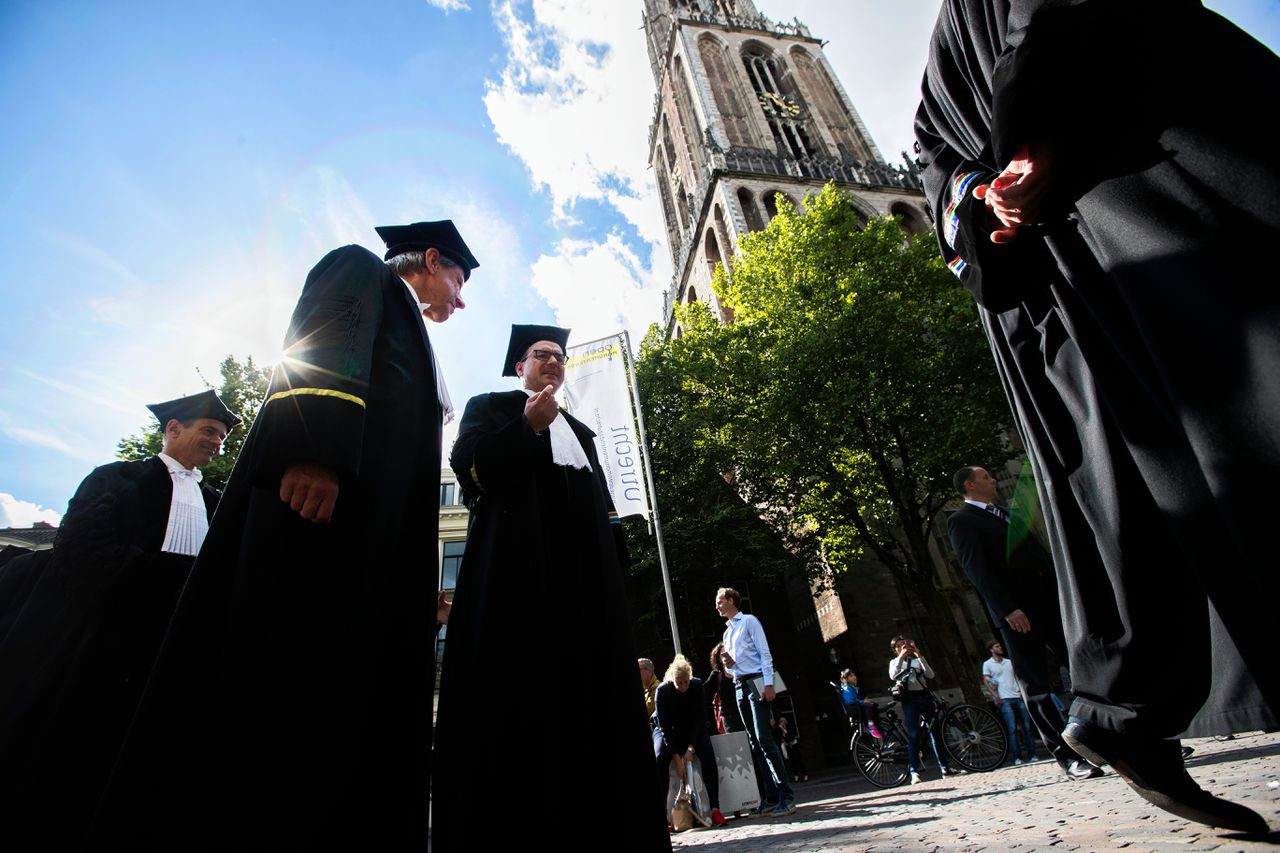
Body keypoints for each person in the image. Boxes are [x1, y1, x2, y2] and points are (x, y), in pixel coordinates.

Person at [915, 0, 1277, 833]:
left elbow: (939, 166)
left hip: (1070, 271)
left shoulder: (939, 60)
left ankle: (1123, 704)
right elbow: (950, 157)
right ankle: (1123, 704)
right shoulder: (945, 56)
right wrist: (1002, 176)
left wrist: (985, 188)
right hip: (1121, 202)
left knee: (1132, 472)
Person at [87, 220, 478, 850]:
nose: (461, 300)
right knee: (292, 693)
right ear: (432, 259)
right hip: (321, 516)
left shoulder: (413, 330)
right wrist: (313, 452)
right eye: (459, 281)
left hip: (368, 546)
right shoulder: (361, 271)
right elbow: (323, 342)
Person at [434, 324, 671, 852]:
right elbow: (470, 472)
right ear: (521, 366)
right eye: (542, 355)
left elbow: (602, 510)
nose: (553, 362)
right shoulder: (490, 406)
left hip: (585, 592)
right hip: (519, 582)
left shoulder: (581, 431)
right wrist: (525, 429)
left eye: (560, 357)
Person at [0, 390, 237, 850]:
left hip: (179, 646)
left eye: (223, 437)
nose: (217, 443)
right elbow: (83, 551)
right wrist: (171, 579)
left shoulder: (219, 502)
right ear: (173, 430)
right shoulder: (116, 478)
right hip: (105, 642)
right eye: (209, 431)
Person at [948, 466, 1102, 780]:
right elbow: (977, 571)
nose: (992, 479)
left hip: (1050, 604)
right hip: (1016, 615)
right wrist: (1008, 609)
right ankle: (1068, 756)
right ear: (969, 484)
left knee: (1087, 668)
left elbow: (1040, 556)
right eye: (986, 476)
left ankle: (1119, 738)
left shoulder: (1007, 514)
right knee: (1036, 685)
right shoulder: (961, 521)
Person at [716, 586, 795, 815]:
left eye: (719, 601)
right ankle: (770, 796)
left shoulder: (749, 621)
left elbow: (764, 652)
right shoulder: (727, 633)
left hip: (757, 682)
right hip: (739, 685)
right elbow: (733, 670)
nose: (717, 605)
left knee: (764, 738)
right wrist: (729, 665)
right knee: (754, 743)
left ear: (731, 600)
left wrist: (769, 683)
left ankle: (786, 796)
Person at [655, 654, 726, 828]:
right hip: (669, 731)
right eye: (679, 682)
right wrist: (677, 758)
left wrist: (691, 749)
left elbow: (700, 719)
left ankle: (715, 809)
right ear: (673, 679)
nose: (683, 686)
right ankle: (664, 814)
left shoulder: (696, 685)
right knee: (659, 758)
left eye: (686, 681)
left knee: (707, 753)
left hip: (693, 730)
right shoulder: (662, 691)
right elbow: (664, 727)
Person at [889, 635, 953, 785]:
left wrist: (919, 654)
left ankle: (945, 768)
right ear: (895, 649)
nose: (902, 647)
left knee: (935, 732)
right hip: (909, 699)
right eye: (898, 646)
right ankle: (914, 771)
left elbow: (930, 675)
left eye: (904, 644)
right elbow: (893, 675)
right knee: (913, 735)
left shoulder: (917, 661)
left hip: (924, 696)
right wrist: (901, 657)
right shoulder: (894, 662)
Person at [982, 641, 1037, 765]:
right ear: (991, 650)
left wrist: (1022, 692)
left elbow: (1018, 677)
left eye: (1000, 646)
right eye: (997, 646)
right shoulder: (987, 664)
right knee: (1012, 729)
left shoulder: (1009, 662)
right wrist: (996, 696)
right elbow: (986, 681)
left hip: (1018, 696)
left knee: (1026, 727)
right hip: (1004, 699)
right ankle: (1017, 757)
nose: (1000, 648)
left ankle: (1032, 754)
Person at [704, 642, 742, 734]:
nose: (727, 656)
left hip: (746, 714)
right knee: (736, 745)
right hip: (729, 718)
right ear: (719, 659)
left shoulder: (742, 672)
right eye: (723, 654)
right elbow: (703, 694)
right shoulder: (717, 675)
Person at [839, 669, 882, 739]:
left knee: (873, 704)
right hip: (853, 708)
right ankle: (871, 726)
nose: (854, 677)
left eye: (854, 675)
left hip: (856, 705)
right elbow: (850, 701)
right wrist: (863, 701)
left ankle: (879, 726)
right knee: (868, 705)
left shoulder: (853, 688)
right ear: (846, 679)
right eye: (851, 676)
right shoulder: (847, 689)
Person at [773, 717, 807, 782]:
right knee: (792, 761)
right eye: (780, 721)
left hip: (794, 745)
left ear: (785, 721)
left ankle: (805, 774)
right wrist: (784, 742)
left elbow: (791, 736)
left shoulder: (789, 727)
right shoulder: (780, 730)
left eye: (782, 721)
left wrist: (783, 729)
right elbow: (779, 737)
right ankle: (796, 776)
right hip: (788, 746)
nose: (781, 722)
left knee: (799, 759)